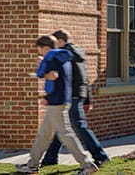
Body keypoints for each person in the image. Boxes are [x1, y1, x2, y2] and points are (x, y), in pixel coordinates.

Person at [16, 35, 98, 175]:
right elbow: (61, 81)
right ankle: (32, 165)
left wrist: (39, 71)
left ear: (45, 47)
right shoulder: (62, 58)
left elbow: (53, 76)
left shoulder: (52, 57)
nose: (39, 52)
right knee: (44, 134)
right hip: (59, 100)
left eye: (39, 49)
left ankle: (87, 164)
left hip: (57, 103)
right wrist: (48, 97)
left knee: (65, 134)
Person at [42, 30, 109, 167]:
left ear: (61, 41)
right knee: (62, 126)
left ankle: (100, 156)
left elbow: (62, 79)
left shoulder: (64, 55)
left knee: (79, 126)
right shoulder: (78, 53)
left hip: (70, 96)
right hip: (78, 94)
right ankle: (50, 158)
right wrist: (87, 99)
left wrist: (50, 96)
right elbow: (85, 78)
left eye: (55, 42)